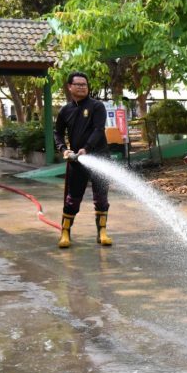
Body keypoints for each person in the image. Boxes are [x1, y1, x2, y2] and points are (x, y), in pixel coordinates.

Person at [53, 71, 111, 248]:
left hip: (99, 158)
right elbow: (57, 133)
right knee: (72, 198)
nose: (81, 87)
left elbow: (98, 129)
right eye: (77, 84)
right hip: (77, 161)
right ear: (70, 87)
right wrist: (63, 149)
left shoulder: (97, 106)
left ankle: (102, 232)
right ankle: (65, 233)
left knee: (101, 197)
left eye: (84, 84)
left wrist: (87, 148)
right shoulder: (65, 110)